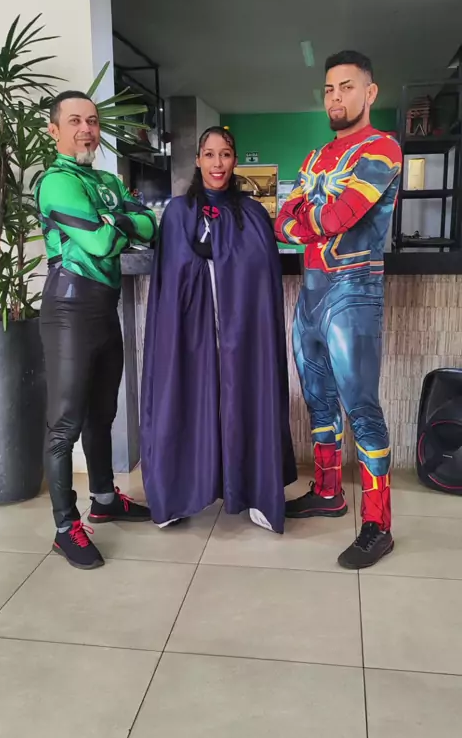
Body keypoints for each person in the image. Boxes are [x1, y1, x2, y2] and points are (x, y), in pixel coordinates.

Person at [275, 51, 402, 569]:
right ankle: (328, 491)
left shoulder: (383, 148)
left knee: (362, 409)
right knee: (318, 402)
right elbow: (281, 219)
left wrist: (306, 218)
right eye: (329, 88)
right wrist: (309, 218)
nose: (336, 97)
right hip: (310, 295)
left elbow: (337, 215)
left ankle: (379, 524)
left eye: (347, 87)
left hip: (354, 292)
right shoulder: (316, 157)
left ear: (369, 93)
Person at [140, 126, 296, 533]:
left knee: (246, 397)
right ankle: (178, 492)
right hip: (190, 332)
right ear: (198, 160)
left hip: (243, 333)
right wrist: (209, 260)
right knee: (187, 398)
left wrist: (222, 261)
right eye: (209, 154)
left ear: (235, 160)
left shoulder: (253, 214)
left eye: (225, 154)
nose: (217, 163)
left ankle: (256, 491)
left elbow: (260, 276)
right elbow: (171, 276)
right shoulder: (178, 213)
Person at [36, 91, 157, 570]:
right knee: (65, 423)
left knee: (102, 414)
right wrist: (120, 222)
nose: (86, 129)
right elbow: (103, 241)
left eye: (91, 121)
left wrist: (116, 219)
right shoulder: (56, 182)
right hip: (68, 310)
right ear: (55, 130)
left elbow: (151, 226)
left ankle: (105, 499)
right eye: (74, 121)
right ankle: (65, 528)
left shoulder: (107, 180)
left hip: (105, 308)